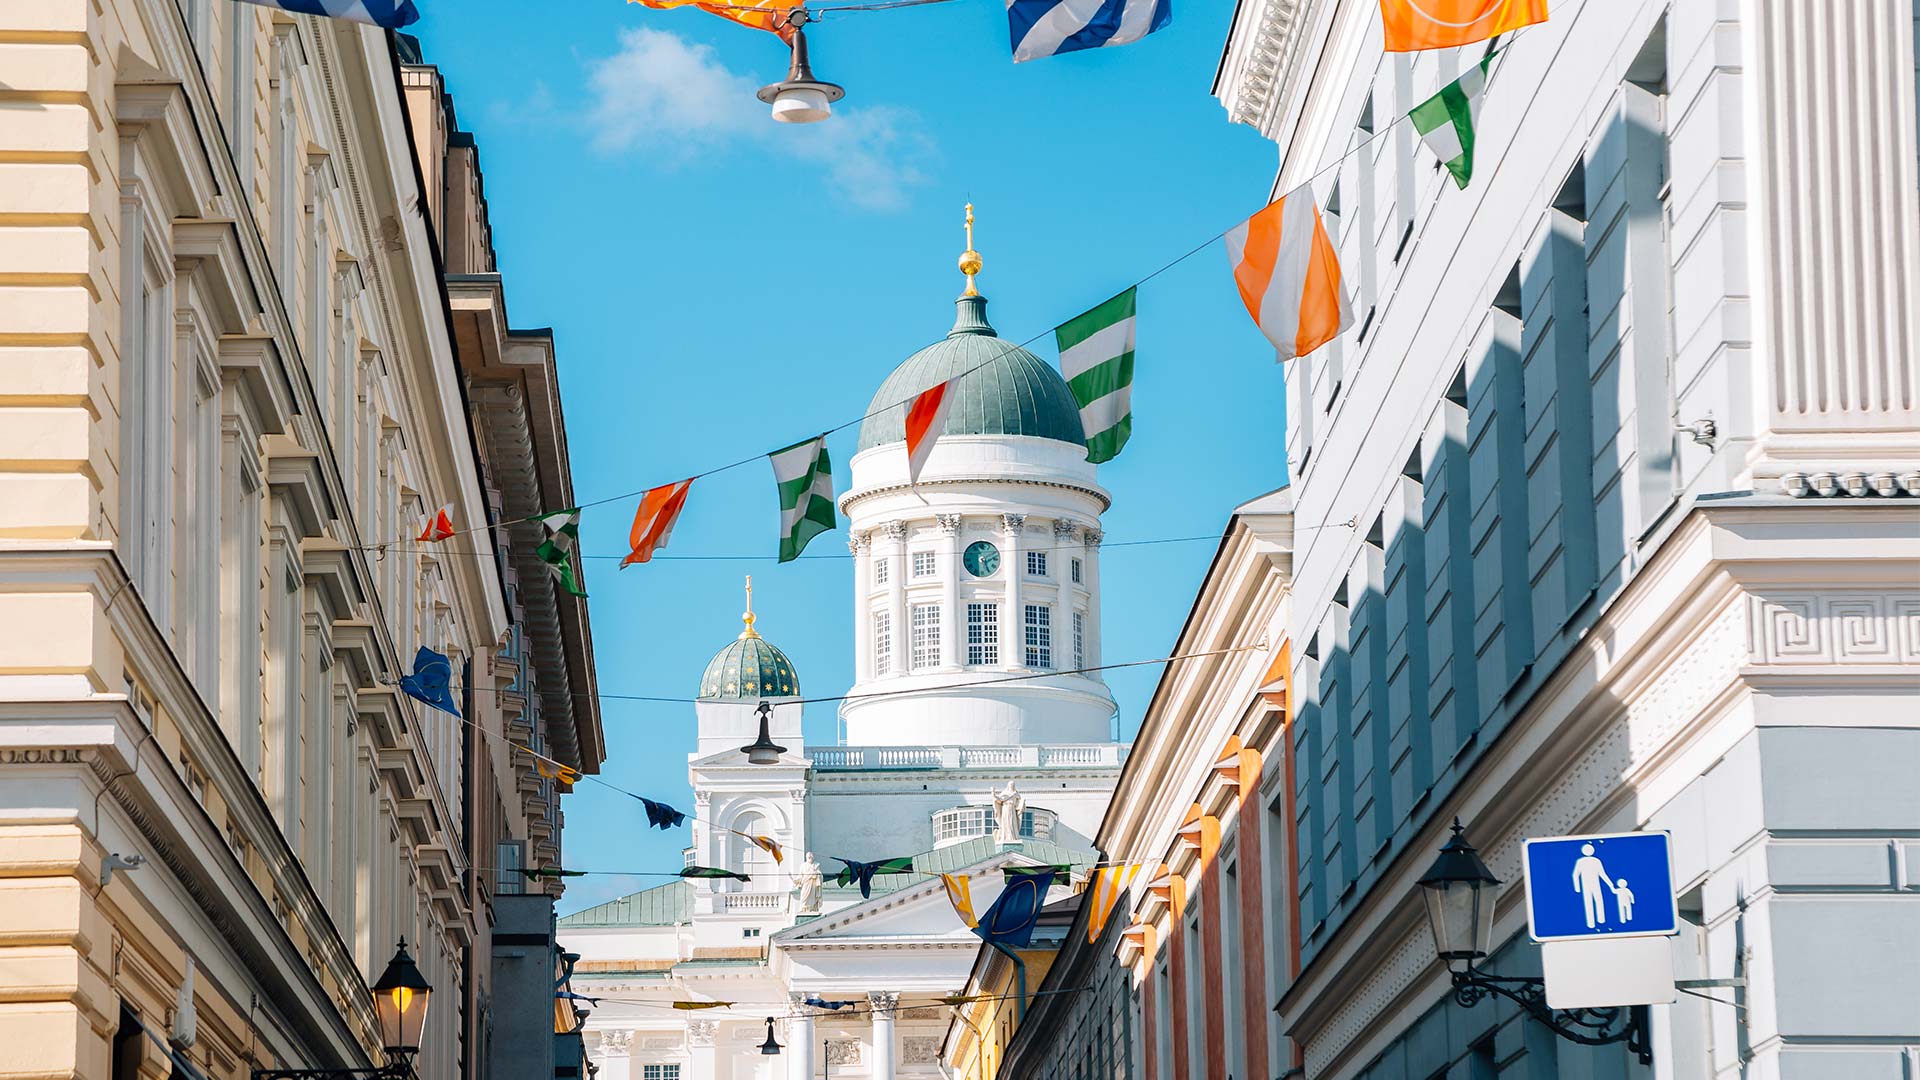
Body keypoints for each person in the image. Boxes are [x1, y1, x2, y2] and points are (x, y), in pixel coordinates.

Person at [1571, 842, 1616, 928]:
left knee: (1597, 901)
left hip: (1595, 884)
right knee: (1590, 902)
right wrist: (1577, 888)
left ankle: (1600, 921)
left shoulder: (1596, 861)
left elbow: (1602, 874)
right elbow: (1575, 874)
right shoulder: (1581, 861)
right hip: (1587, 885)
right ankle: (1592, 923)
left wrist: (1610, 884)